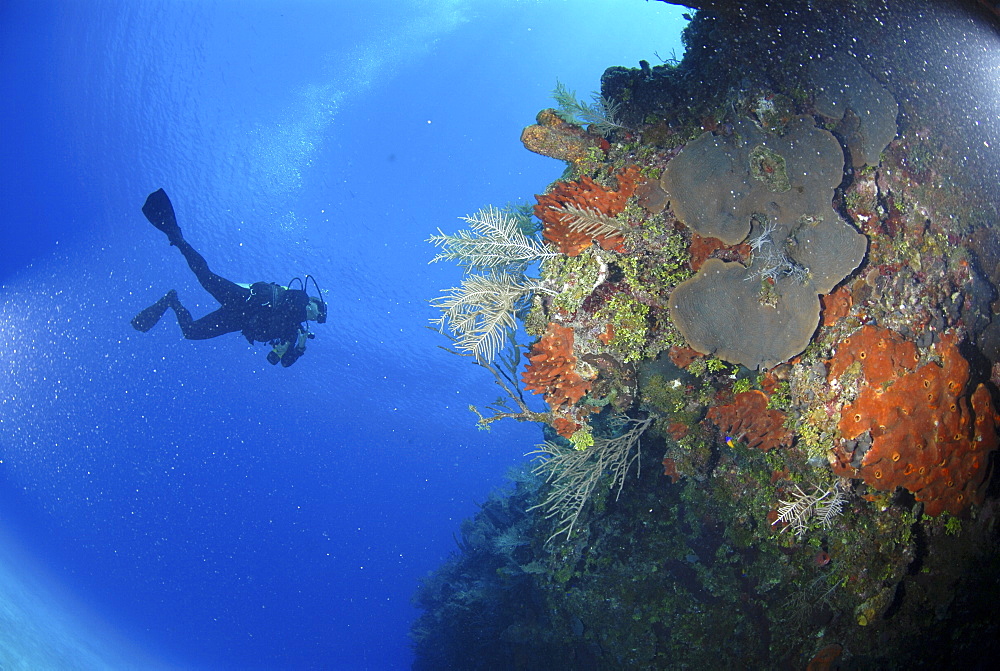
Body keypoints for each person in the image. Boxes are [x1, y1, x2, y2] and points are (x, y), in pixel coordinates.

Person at [131, 188, 327, 367]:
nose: (315, 316)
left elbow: (280, 362)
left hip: (238, 320)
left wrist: (299, 349)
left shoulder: (293, 332)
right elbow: (296, 301)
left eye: (318, 319)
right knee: (206, 277)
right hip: (244, 299)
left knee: (191, 332)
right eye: (319, 311)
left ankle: (172, 301)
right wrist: (306, 307)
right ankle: (178, 239)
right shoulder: (300, 297)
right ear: (313, 301)